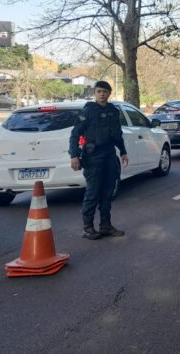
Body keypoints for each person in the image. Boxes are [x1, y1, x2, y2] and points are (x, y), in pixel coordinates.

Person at [69, 81, 129, 240]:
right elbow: (75, 133)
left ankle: (105, 225)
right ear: (95, 93)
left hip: (109, 154)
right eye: (99, 91)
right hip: (93, 155)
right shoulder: (88, 111)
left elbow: (117, 134)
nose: (102, 94)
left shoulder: (113, 111)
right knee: (93, 192)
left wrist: (123, 152)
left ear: (110, 93)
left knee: (108, 192)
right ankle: (88, 227)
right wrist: (74, 155)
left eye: (105, 91)